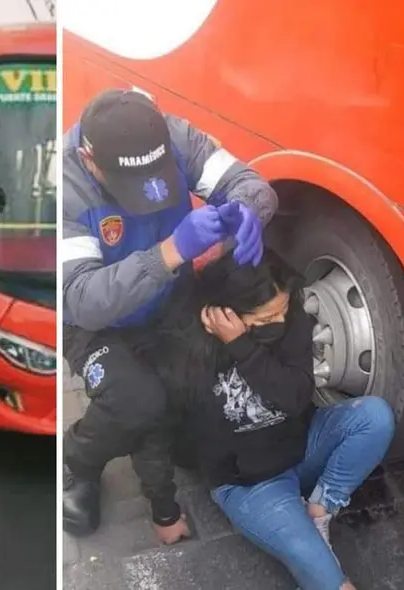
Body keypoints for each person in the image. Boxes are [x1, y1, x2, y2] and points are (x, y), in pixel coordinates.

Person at [61, 88, 278, 541]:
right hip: (96, 324)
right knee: (137, 401)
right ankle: (79, 461)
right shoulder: (63, 186)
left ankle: (165, 430)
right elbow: (82, 298)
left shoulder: (175, 135)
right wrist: (171, 251)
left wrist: (248, 209)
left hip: (168, 298)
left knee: (203, 377)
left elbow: (249, 181)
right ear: (89, 158)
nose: (152, 195)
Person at [151, 250, 394, 590]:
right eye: (264, 320)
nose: (277, 323)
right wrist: (164, 510)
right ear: (225, 312)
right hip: (250, 484)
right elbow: (156, 432)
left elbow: (295, 398)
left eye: (281, 311)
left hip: (301, 443)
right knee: (332, 584)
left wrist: (245, 347)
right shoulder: (187, 345)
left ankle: (320, 509)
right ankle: (297, 525)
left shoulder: (288, 318)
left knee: (375, 416)